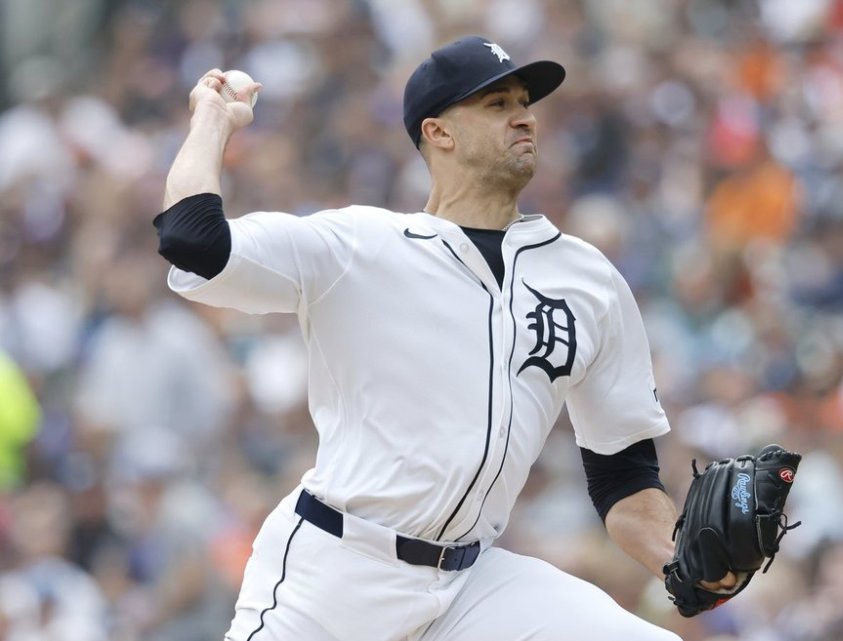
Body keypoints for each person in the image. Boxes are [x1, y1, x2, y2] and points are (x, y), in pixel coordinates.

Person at [154, 35, 733, 641]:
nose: (523, 114)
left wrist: (684, 564)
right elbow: (194, 243)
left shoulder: (589, 279)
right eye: (496, 102)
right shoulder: (360, 247)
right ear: (439, 132)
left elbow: (624, 474)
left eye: (524, 100)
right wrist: (212, 120)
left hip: (471, 586)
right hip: (337, 572)